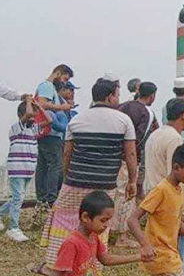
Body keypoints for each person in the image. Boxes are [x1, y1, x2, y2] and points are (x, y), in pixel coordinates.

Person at [39, 78, 138, 273]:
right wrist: (132, 181)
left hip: (74, 181)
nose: (118, 98)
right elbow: (130, 154)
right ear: (110, 97)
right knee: (99, 222)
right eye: (117, 94)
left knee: (64, 220)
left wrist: (68, 177)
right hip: (105, 184)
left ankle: (54, 265)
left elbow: (67, 154)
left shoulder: (76, 120)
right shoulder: (123, 120)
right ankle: (92, 266)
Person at [129, 143, 184, 276]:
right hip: (159, 256)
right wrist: (145, 245)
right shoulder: (161, 190)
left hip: (170, 255)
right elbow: (132, 219)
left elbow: (177, 222)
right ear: (176, 167)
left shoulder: (179, 190)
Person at [144, 98, 184, 276]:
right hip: (171, 202)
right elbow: (179, 180)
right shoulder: (175, 140)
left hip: (155, 199)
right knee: (180, 252)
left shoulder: (155, 135)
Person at [29, 191, 141, 276]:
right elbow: (59, 273)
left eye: (108, 220)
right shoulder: (72, 243)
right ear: (85, 217)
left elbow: (105, 259)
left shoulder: (93, 237)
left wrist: (138, 257)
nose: (107, 225)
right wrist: (43, 270)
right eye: (103, 220)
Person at [112, 81, 159, 248]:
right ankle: (122, 237)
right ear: (152, 95)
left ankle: (110, 229)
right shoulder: (147, 113)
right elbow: (137, 140)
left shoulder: (122, 106)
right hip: (129, 158)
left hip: (112, 156)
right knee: (127, 194)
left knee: (115, 193)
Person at [0, 98, 50, 242]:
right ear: (22, 115)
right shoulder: (17, 127)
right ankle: (13, 228)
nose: (33, 117)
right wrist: (29, 101)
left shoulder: (33, 129)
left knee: (17, 198)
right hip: (17, 169)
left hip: (28, 169)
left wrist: (39, 107)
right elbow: (27, 114)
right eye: (31, 115)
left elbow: (49, 121)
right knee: (18, 198)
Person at [35, 64, 74, 209]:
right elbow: (42, 104)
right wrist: (62, 108)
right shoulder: (47, 86)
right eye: (64, 78)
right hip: (50, 133)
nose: (64, 83)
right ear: (58, 73)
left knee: (44, 165)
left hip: (48, 132)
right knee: (54, 165)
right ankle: (50, 199)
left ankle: (42, 198)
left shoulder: (49, 88)